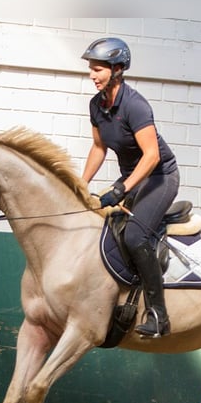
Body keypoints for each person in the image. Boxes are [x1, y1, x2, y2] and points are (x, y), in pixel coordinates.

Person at [80, 37, 180, 338]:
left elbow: (151, 157)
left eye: (98, 69)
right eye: (90, 69)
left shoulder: (135, 105)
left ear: (118, 69)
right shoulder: (96, 106)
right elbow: (99, 148)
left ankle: (159, 316)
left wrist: (121, 188)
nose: (92, 75)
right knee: (109, 228)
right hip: (135, 178)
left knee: (136, 235)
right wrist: (79, 184)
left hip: (160, 176)